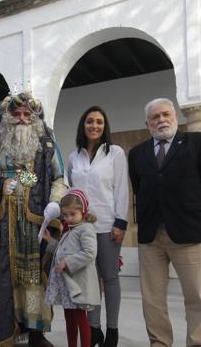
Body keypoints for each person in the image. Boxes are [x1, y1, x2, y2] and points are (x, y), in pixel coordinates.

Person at [0, 91, 66, 346]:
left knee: (33, 277)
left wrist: (55, 203)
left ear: (34, 118)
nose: (22, 118)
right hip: (2, 225)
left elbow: (59, 178)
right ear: (6, 117)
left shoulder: (47, 147)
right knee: (3, 277)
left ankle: (36, 332)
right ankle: (4, 332)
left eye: (27, 114)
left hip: (35, 225)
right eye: (16, 114)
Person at [128, 98, 201, 347]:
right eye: (155, 117)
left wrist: (195, 211)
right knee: (152, 298)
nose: (161, 120)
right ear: (147, 123)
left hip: (189, 233)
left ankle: (197, 342)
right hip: (151, 235)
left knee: (196, 296)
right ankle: (159, 342)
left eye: (166, 114)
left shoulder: (199, 143)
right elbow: (139, 188)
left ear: (175, 116)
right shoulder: (137, 153)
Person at [64, 106, 129, 347]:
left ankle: (112, 330)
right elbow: (69, 189)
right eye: (90, 121)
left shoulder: (115, 153)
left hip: (106, 225)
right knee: (88, 280)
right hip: (81, 229)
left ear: (105, 126)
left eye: (99, 122)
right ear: (83, 125)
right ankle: (94, 330)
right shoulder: (74, 157)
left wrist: (120, 222)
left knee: (109, 279)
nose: (94, 126)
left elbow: (122, 188)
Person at [42, 190, 99, 347]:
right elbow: (63, 252)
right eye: (65, 215)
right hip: (68, 285)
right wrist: (50, 241)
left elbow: (90, 252)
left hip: (78, 284)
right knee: (69, 318)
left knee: (80, 317)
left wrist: (68, 263)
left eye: (72, 214)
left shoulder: (85, 229)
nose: (68, 218)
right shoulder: (70, 229)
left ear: (83, 211)